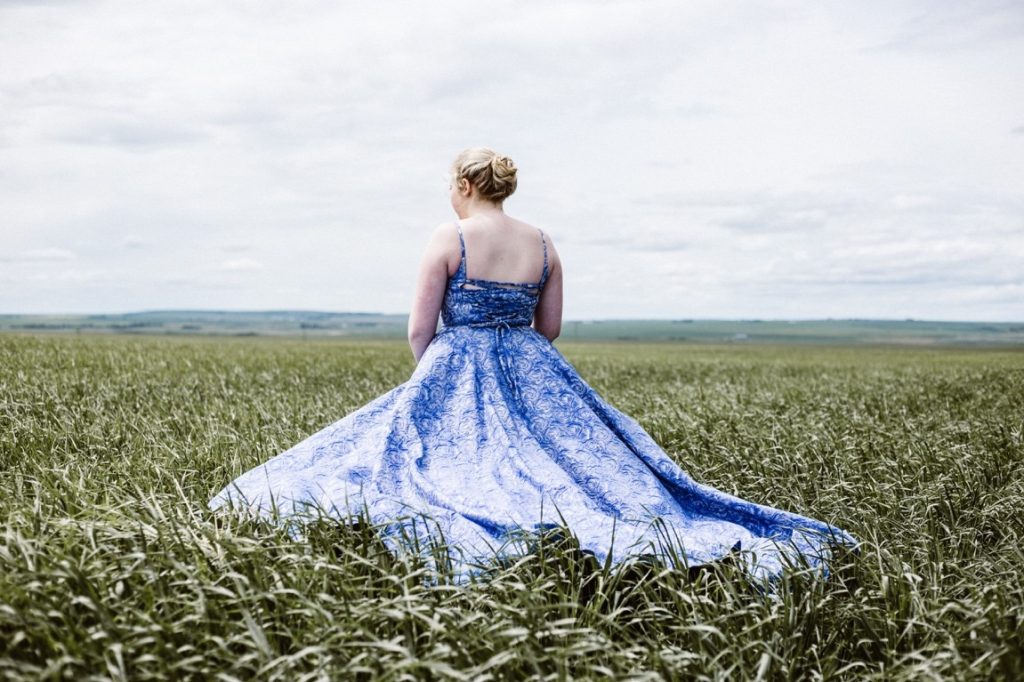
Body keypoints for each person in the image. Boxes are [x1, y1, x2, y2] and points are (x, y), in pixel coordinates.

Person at [209, 147, 856, 582]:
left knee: (425, 461)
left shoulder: (450, 236)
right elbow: (550, 329)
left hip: (456, 360)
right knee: (567, 456)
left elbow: (418, 328)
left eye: (451, 188)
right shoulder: (543, 243)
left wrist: (439, 379)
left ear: (464, 187)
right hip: (531, 364)